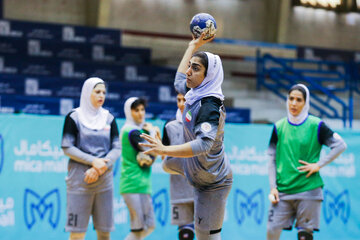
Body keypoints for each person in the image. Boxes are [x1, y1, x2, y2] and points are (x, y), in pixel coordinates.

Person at [139, 32, 233, 240]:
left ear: (209, 75)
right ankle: (169, 164)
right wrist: (193, 45)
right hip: (196, 171)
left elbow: (204, 144)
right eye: (190, 66)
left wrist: (164, 149)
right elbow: (179, 79)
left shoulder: (210, 105)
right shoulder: (194, 92)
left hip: (213, 180)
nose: (188, 72)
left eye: (196, 68)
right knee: (197, 234)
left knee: (207, 236)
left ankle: (169, 163)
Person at [266, 84, 347, 240]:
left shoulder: (317, 125)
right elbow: (271, 157)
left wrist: (318, 165)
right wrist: (273, 187)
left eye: (299, 100)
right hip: (283, 191)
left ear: (306, 102)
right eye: (291, 99)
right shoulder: (279, 126)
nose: (294, 103)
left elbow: (340, 145)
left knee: (304, 235)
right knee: (272, 231)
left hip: (309, 190)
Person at [61, 77, 121, 240]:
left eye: (104, 92)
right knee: (77, 233)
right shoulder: (74, 117)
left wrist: (99, 167)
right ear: (88, 93)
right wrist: (93, 161)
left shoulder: (109, 118)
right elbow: (67, 147)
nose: (101, 95)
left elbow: (117, 148)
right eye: (97, 92)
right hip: (80, 182)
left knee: (104, 233)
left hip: (104, 182)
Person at [119, 97, 160, 240]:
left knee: (149, 226)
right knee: (139, 229)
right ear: (129, 112)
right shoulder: (131, 132)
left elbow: (152, 156)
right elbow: (152, 151)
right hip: (133, 183)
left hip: (141, 184)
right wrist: (153, 134)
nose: (141, 113)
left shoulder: (138, 130)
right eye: (136, 110)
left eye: (142, 109)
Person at [162, 93, 195, 240]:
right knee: (185, 234)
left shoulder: (200, 123)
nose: (181, 104)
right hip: (179, 188)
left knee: (205, 231)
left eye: (185, 100)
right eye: (178, 100)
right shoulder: (169, 125)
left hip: (199, 186)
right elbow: (165, 155)